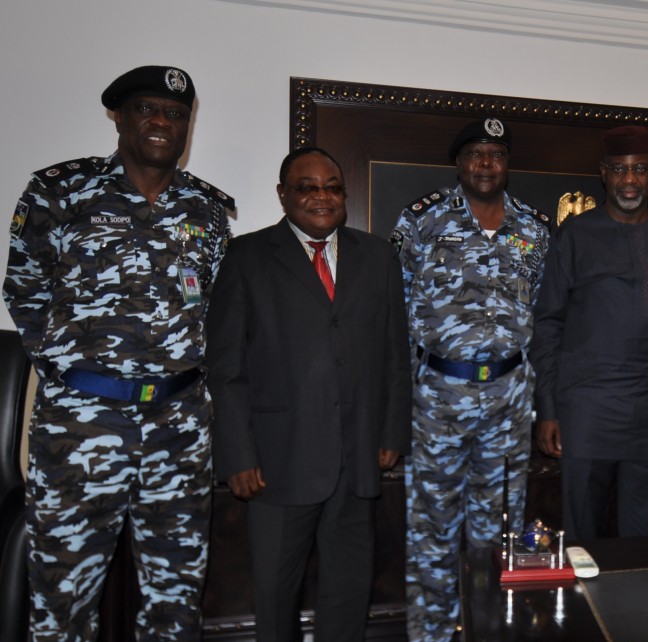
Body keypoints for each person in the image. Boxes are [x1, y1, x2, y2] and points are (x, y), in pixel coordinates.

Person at [2, 65, 233, 640]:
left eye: (175, 114)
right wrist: (73, 367)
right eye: (146, 109)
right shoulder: (60, 190)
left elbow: (219, 307)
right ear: (119, 116)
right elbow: (24, 288)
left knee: (176, 599)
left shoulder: (206, 209)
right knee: (62, 598)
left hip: (180, 426)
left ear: (187, 126)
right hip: (81, 425)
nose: (161, 122)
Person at [206, 147, 411, 641]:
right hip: (276, 460)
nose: (322, 197)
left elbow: (394, 355)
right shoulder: (247, 257)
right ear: (283, 195)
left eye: (332, 187)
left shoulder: (378, 255)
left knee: (349, 588)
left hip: (357, 455)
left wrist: (391, 432)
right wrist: (236, 454)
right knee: (276, 592)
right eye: (307, 187)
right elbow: (226, 365)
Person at [390, 117, 549, 642]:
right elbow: (392, 313)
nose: (486, 164)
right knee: (433, 533)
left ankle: (488, 630)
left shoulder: (534, 228)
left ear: (508, 164)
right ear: (458, 163)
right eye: (476, 154)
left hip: (510, 399)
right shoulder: (421, 222)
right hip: (438, 398)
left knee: (499, 531)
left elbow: (547, 316)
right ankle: (431, 636)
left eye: (496, 154)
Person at [530, 125, 648, 540]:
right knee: (583, 532)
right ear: (604, 174)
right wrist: (547, 408)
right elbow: (548, 323)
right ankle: (587, 607)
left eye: (639, 169)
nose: (630, 180)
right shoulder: (574, 235)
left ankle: (638, 608)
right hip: (587, 409)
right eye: (619, 170)